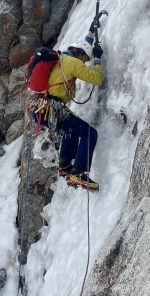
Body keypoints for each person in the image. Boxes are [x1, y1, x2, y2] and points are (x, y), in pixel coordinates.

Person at [42, 35, 104, 191]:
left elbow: (84, 46)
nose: (84, 63)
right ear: (79, 54)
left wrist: (91, 31)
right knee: (90, 133)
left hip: (42, 109)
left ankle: (65, 166)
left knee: (71, 130)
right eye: (84, 59)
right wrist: (97, 59)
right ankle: (78, 173)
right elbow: (97, 79)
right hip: (53, 108)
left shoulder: (62, 58)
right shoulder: (73, 62)